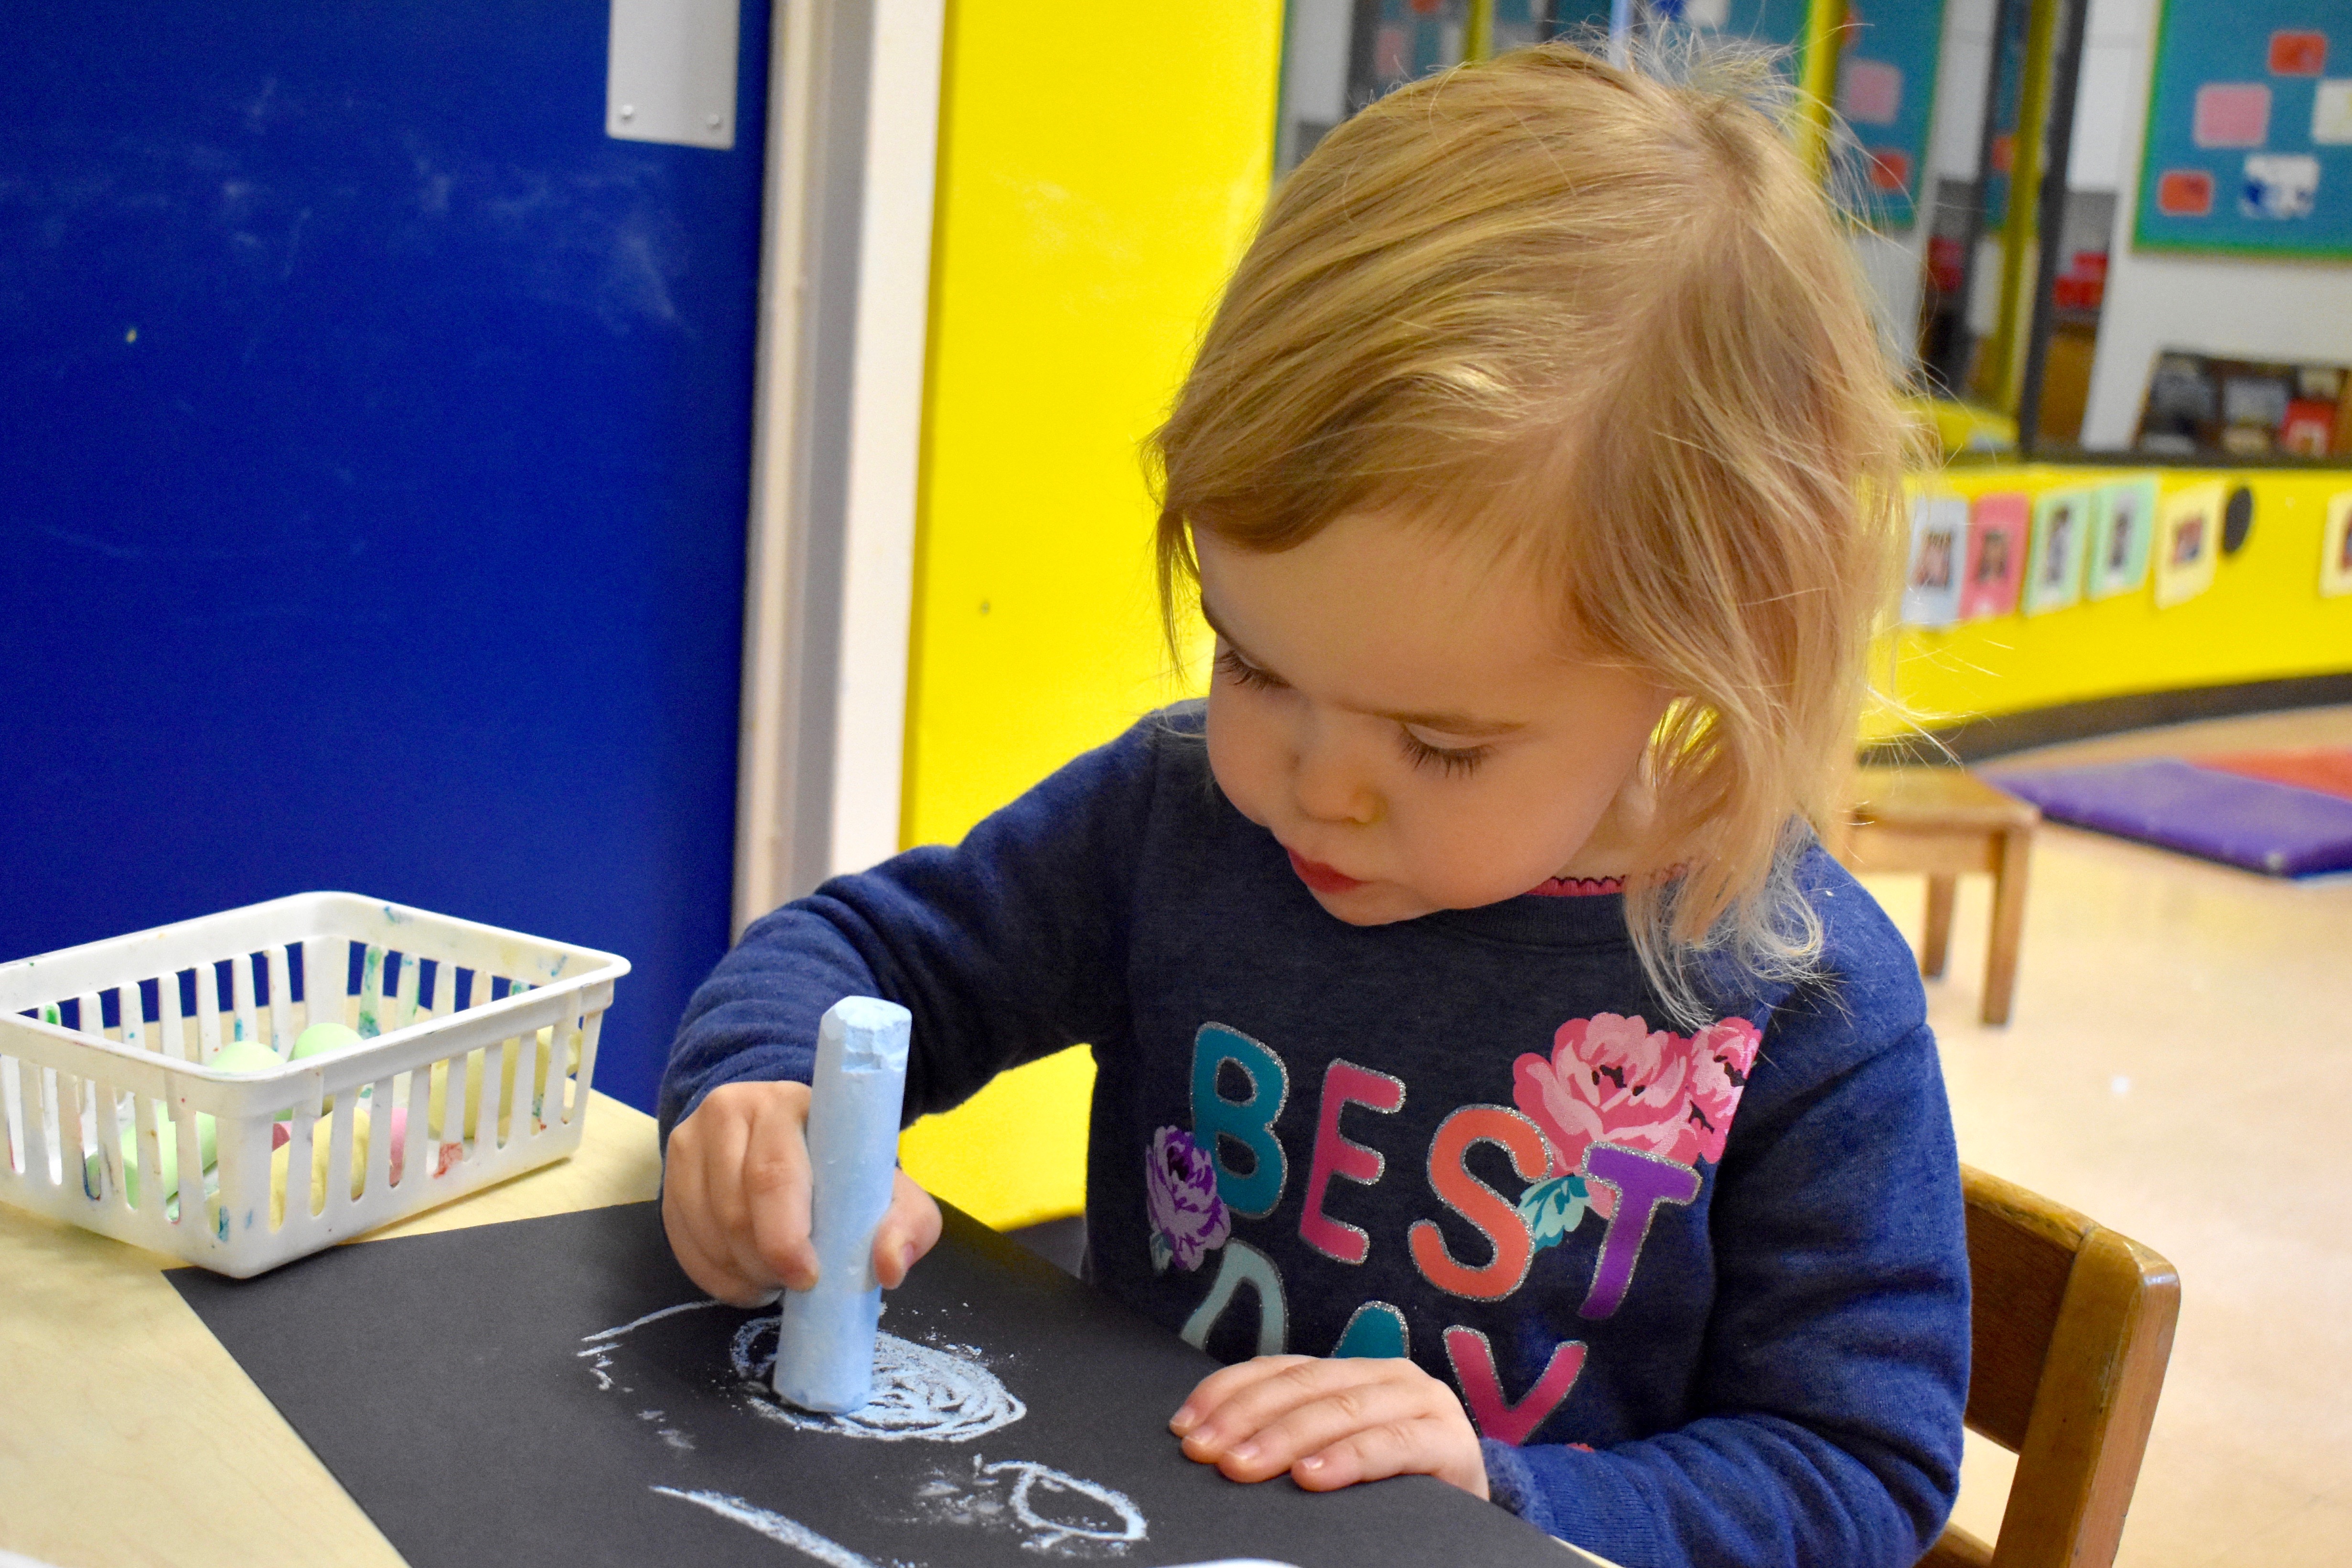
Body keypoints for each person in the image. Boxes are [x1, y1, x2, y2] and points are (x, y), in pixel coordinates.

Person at [659, 39, 1966, 1568]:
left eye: (1440, 743)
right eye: (1250, 663)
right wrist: (758, 1097)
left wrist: (1501, 1485)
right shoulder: (1169, 824)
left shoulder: (1796, 995)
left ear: (1705, 654)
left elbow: (1855, 1470)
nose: (1315, 787)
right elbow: (857, 960)